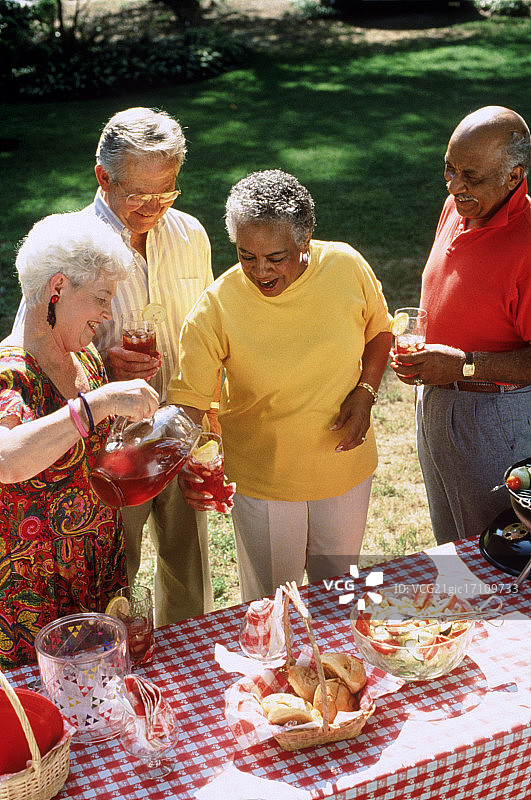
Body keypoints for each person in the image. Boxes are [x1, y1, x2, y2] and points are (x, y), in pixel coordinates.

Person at [14, 106, 215, 625]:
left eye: (167, 190)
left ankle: (187, 682)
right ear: (103, 177)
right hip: (104, 453)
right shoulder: (69, 244)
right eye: (138, 194)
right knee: (109, 584)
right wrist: (104, 363)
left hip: (180, 429)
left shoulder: (190, 236)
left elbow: (210, 332)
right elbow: (32, 349)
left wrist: (206, 421)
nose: (153, 207)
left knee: (189, 579)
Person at [167, 169, 392, 602]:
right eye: (246, 255)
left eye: (275, 256)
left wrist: (366, 392)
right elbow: (190, 404)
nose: (259, 270)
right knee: (273, 608)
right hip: (265, 482)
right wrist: (183, 461)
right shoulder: (216, 308)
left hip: (344, 468)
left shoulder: (345, 265)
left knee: (339, 598)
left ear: (305, 237)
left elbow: (379, 331)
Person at [0, 212, 159, 668]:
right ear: (57, 289)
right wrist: (97, 405)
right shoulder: (14, 374)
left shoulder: (84, 357)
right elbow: (8, 459)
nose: (107, 314)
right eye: (101, 298)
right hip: (35, 603)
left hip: (98, 583)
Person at [391, 106, 531, 545]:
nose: (455, 187)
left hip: (495, 418)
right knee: (452, 545)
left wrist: (465, 365)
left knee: (497, 555)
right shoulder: (459, 207)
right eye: (449, 170)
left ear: (513, 177)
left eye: (471, 176)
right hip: (438, 402)